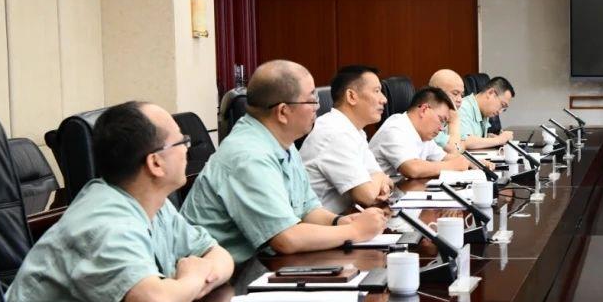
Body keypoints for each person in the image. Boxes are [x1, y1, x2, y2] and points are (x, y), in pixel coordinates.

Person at [6, 101, 235, 302]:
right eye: (181, 142)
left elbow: (220, 256)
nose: (187, 149)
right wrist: (192, 279)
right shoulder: (105, 222)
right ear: (155, 163)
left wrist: (184, 286)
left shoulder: (155, 204)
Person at [182, 60, 388, 263]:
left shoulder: (283, 142)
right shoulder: (249, 155)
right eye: (311, 100)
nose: (317, 107)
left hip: (264, 263)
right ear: (282, 112)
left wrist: (340, 221)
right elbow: (285, 239)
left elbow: (307, 209)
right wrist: (355, 231)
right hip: (226, 275)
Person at [299, 64, 393, 213]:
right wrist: (379, 179)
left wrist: (379, 179)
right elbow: (367, 196)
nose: (384, 99)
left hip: (346, 217)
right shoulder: (335, 133)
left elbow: (383, 178)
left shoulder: (354, 130)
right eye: (376, 91)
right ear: (351, 96)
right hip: (321, 223)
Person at [369, 87, 472, 179]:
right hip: (382, 193)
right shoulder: (395, 128)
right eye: (441, 120)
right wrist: (452, 166)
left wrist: (472, 163)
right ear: (424, 110)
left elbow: (444, 158)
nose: (441, 128)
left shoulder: (424, 134)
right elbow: (412, 169)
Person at [457, 76, 515, 149]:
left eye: (504, 109)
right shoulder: (462, 107)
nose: (500, 112)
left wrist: (488, 138)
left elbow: (472, 136)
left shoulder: (483, 112)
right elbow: (464, 141)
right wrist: (499, 139)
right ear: (490, 93)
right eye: (502, 105)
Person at [428, 68, 465, 153]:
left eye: (462, 95)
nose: (460, 100)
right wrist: (454, 121)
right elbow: (456, 150)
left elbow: (464, 142)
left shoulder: (448, 114)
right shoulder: (427, 118)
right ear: (437, 93)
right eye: (455, 94)